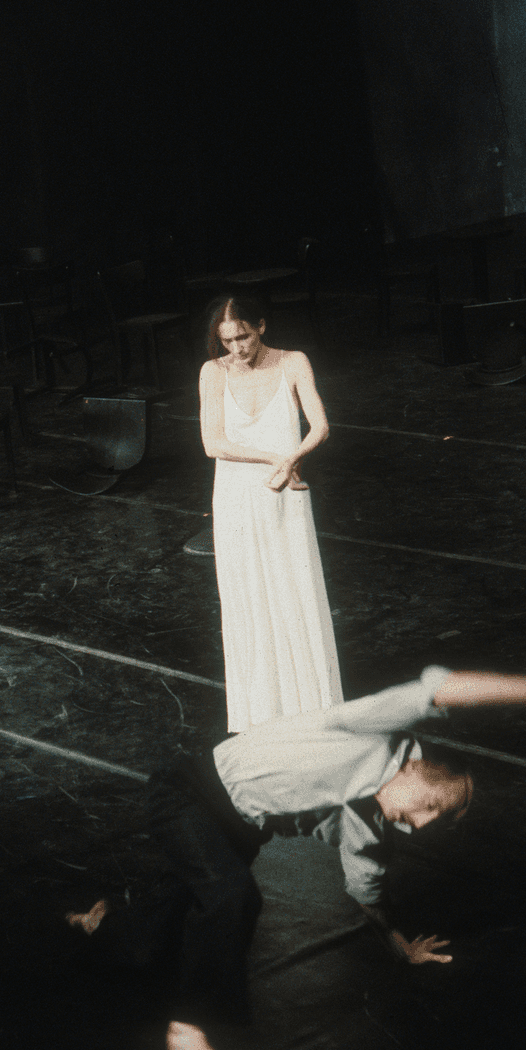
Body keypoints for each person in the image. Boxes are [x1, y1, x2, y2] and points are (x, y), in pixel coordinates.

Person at [69, 655, 526, 1050]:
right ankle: (191, 1025)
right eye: (431, 803)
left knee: (148, 946)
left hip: (236, 831)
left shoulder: (369, 827)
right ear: (414, 766)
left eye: (435, 821)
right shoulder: (366, 733)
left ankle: (102, 920)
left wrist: (399, 944)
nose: (422, 823)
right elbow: (441, 688)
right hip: (188, 790)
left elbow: (367, 889)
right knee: (233, 895)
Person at [199, 294, 342, 732]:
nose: (237, 348)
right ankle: (260, 712)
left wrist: (293, 457)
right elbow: (213, 444)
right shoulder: (212, 372)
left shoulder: (293, 362)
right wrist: (273, 459)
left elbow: (320, 426)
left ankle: (314, 707)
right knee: (248, 600)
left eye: (243, 335)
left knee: (294, 591)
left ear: (260, 325)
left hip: (285, 494)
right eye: (228, 341)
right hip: (237, 498)